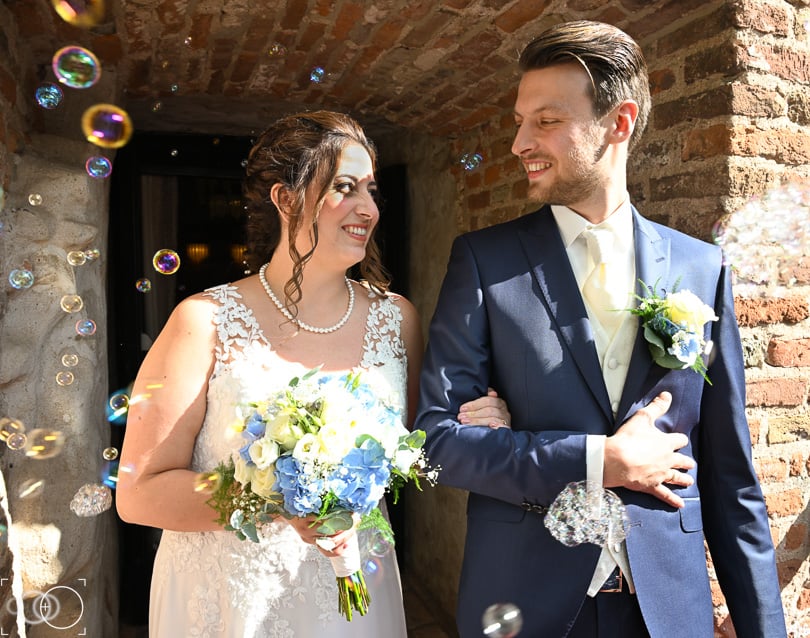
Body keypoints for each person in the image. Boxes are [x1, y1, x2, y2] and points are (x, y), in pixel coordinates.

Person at [416, 20, 787, 638]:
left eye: (546, 120)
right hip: (525, 606)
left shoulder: (700, 267)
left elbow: (731, 476)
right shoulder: (484, 262)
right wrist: (599, 461)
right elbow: (438, 444)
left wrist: (763, 629)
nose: (519, 143)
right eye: (519, 120)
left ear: (617, 123)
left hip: (667, 610)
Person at [116, 110, 509, 637]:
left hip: (357, 591)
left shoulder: (397, 320)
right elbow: (139, 494)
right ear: (285, 199)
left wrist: (479, 419)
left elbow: (422, 445)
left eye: (371, 190)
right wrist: (276, 499)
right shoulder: (204, 321)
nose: (367, 209)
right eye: (344, 188)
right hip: (230, 600)